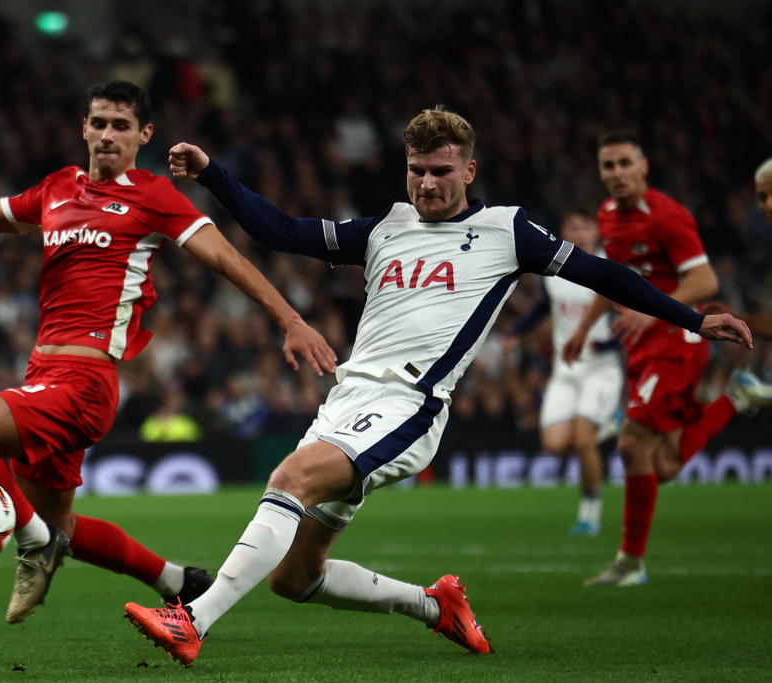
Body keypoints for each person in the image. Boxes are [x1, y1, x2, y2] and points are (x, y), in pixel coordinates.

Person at [122, 107, 753, 666]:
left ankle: (192, 620)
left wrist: (694, 318)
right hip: (346, 399)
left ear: (469, 170)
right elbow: (283, 232)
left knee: (289, 478)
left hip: (409, 406)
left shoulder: (510, 232)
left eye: (441, 172)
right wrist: (212, 174)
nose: (427, 183)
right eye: (417, 169)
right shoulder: (384, 227)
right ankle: (436, 607)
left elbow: (602, 273)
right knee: (295, 577)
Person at [0, 81, 337, 625]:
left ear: (144, 135)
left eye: (121, 125)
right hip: (43, 372)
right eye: (98, 122)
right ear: (83, 127)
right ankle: (176, 580)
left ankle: (36, 546)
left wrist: (290, 320)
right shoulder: (56, 189)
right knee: (60, 525)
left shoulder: (153, 197)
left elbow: (225, 259)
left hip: (83, 383)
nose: (106, 135)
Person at [562, 133, 772, 588]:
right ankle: (736, 398)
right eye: (607, 166)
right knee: (665, 464)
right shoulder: (607, 217)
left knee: (631, 446)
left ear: (644, 166)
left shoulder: (668, 216)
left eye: (624, 164)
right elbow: (612, 281)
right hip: (641, 346)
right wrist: (582, 329)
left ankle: (630, 562)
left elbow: (704, 279)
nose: (616, 173)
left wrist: (651, 308)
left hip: (676, 342)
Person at [505, 209, 622, 536]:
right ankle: (610, 423)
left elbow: (632, 316)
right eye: (574, 226)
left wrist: (609, 346)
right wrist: (518, 331)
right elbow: (545, 306)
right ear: (564, 230)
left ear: (597, 232)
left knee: (583, 441)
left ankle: (590, 514)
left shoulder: (608, 269)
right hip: (565, 371)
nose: (581, 232)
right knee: (554, 444)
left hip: (601, 370)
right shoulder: (554, 270)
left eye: (586, 226)